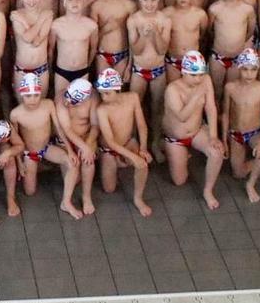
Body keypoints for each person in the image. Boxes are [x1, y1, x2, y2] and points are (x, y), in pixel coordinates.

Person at [10, 73, 79, 219]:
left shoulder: (48, 104)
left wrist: (71, 150)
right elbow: (15, 142)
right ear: (22, 95)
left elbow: (59, 128)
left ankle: (66, 202)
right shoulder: (16, 114)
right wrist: (20, 162)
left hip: (47, 148)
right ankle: (39, 166)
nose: (33, 100)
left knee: (72, 164)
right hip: (30, 153)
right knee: (30, 191)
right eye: (28, 96)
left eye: (36, 95)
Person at [161, 51, 224, 210]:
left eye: (200, 75)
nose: (198, 79)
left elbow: (210, 107)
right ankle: (166, 147)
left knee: (217, 151)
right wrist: (196, 97)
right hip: (175, 138)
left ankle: (208, 191)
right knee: (180, 181)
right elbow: (182, 116)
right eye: (193, 75)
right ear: (183, 72)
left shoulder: (205, 80)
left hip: (196, 131)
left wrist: (213, 136)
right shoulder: (172, 89)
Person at [95, 68, 153, 217]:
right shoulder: (102, 110)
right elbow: (111, 141)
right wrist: (132, 157)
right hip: (108, 149)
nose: (104, 97)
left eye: (107, 93)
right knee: (109, 189)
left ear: (117, 89)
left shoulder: (132, 98)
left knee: (142, 163)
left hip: (128, 142)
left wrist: (143, 149)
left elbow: (141, 125)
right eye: (101, 93)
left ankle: (138, 198)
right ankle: (117, 162)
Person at [220, 49, 260, 203]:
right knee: (238, 174)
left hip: (254, 132)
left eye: (253, 70)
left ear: (258, 69)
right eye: (245, 69)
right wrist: (224, 140)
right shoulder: (230, 87)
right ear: (239, 68)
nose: (249, 74)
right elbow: (226, 115)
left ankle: (251, 184)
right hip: (235, 134)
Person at [127, 0, 171, 158]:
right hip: (139, 70)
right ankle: (135, 141)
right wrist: (144, 37)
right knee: (135, 109)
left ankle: (154, 142)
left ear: (158, 0)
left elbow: (162, 50)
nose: (149, 3)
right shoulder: (133, 20)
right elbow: (136, 50)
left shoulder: (164, 20)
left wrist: (155, 34)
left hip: (158, 70)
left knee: (157, 108)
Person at [56, 78, 98, 216]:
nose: (67, 103)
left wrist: (88, 145)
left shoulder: (93, 98)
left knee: (88, 161)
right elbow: (66, 129)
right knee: (74, 174)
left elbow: (95, 126)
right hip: (66, 142)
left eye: (73, 103)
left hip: (85, 137)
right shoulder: (60, 98)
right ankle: (66, 202)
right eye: (68, 98)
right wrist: (83, 147)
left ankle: (87, 197)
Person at [207, 0, 254, 94]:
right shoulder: (215, 9)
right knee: (216, 92)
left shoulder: (247, 9)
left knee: (232, 92)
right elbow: (209, 31)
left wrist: (238, 41)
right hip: (218, 57)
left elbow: (250, 31)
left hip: (236, 58)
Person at [50, 0, 98, 101]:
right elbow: (51, 50)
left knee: (81, 106)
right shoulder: (56, 25)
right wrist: (51, 69)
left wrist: (86, 66)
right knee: (60, 103)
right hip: (62, 73)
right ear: (64, 3)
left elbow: (93, 49)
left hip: (82, 72)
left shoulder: (91, 25)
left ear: (84, 2)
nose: (74, 2)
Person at [10, 0, 53, 98]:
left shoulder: (46, 15)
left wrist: (23, 22)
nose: (31, 0)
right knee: (22, 108)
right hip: (21, 71)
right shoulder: (19, 15)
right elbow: (27, 38)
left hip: (42, 70)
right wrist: (40, 20)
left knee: (41, 106)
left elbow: (36, 41)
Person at [90, 0, 134, 79]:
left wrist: (130, 65)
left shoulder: (129, 5)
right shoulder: (97, 6)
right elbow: (93, 38)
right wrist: (105, 29)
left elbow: (133, 39)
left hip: (123, 55)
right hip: (102, 55)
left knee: (118, 92)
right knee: (103, 90)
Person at [164, 0, 209, 80]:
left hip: (193, 61)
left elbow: (203, 37)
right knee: (174, 88)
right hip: (173, 61)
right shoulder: (166, 14)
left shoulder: (200, 15)